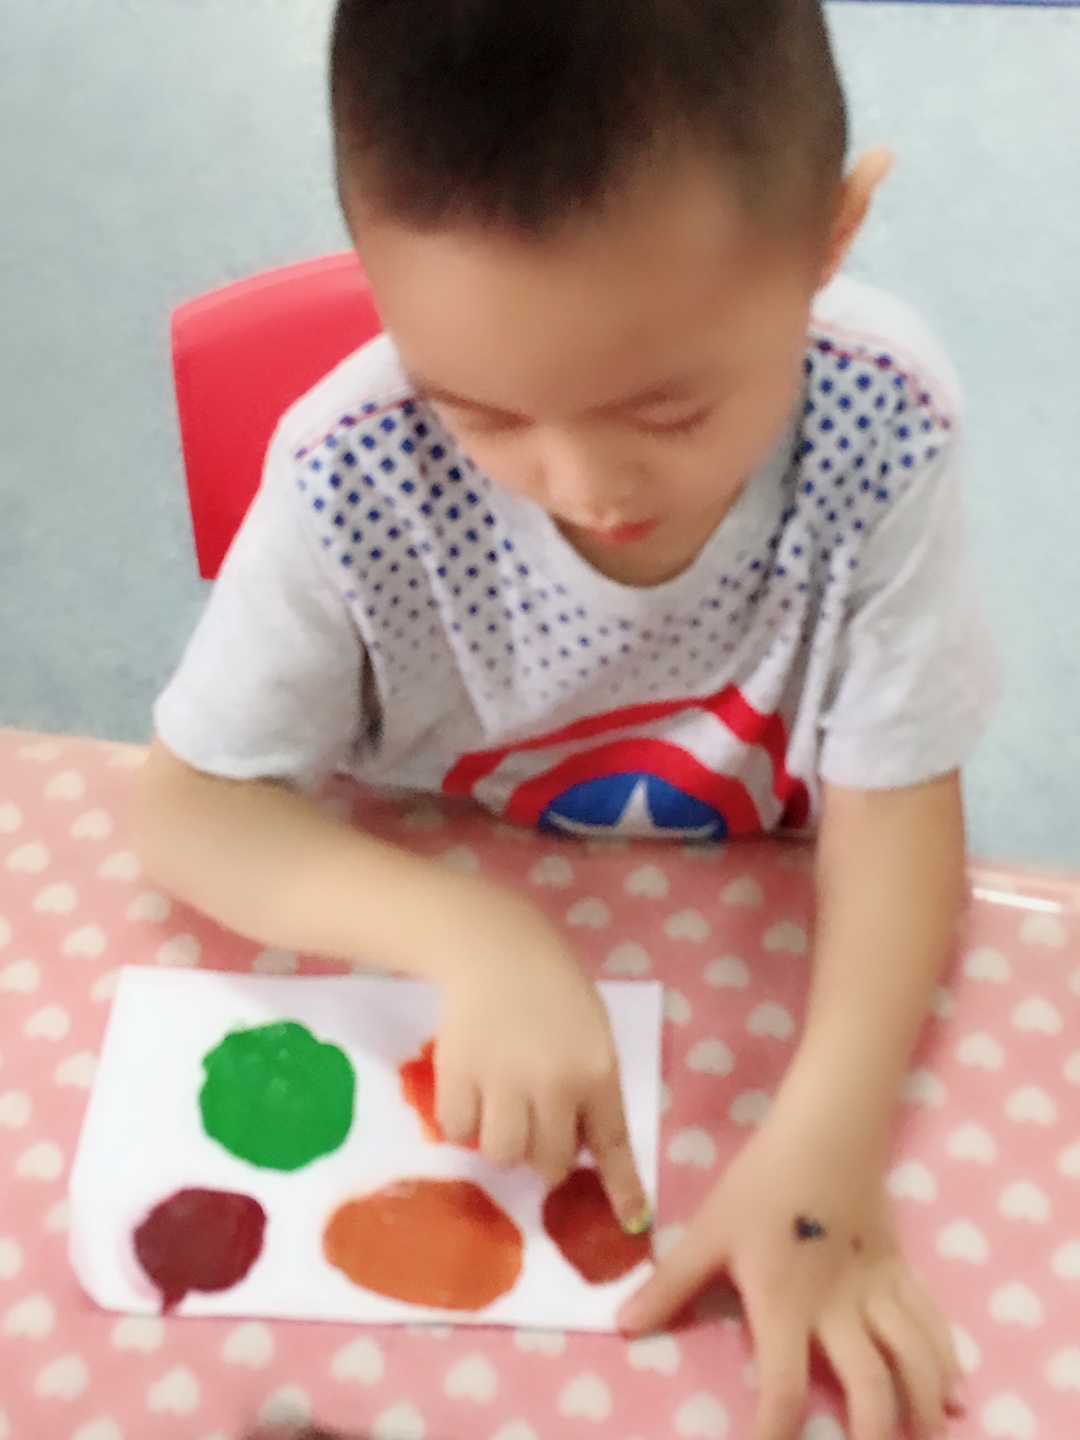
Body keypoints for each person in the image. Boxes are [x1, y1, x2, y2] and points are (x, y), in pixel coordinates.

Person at [135, 2, 999, 1437]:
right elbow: (185, 806)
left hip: (757, 922)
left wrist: (827, 1147)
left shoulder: (882, 425)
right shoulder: (352, 471)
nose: (586, 488)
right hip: (466, 914)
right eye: (480, 413)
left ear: (830, 238)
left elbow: (899, 806)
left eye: (669, 412)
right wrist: (474, 936)